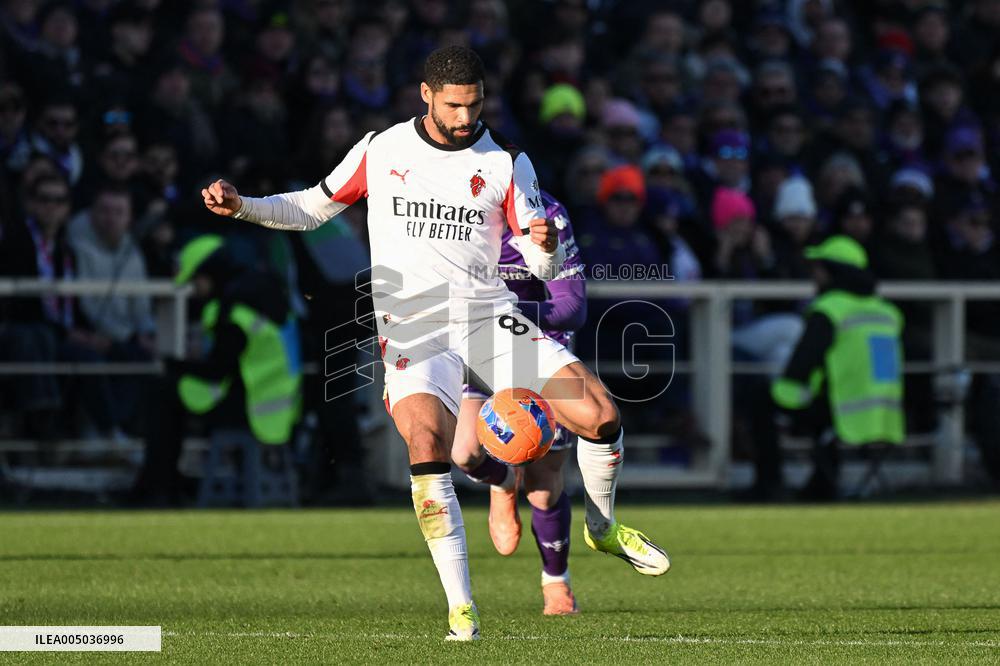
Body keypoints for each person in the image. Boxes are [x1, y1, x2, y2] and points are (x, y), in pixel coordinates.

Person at [200, 45, 669, 641]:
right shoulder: (382, 149)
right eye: (453, 106)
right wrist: (242, 207)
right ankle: (462, 609)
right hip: (413, 328)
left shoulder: (506, 162)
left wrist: (545, 246)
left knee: (601, 416)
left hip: (487, 318)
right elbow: (311, 209)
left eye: (475, 105)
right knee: (428, 447)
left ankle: (601, 529)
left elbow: (543, 268)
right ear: (426, 95)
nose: (466, 117)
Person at [451, 190, 585, 616]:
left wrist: (503, 311)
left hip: (538, 340)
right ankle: (503, 481)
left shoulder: (548, 213)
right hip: (477, 341)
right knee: (464, 452)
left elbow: (571, 306)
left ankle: (556, 581)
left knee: (544, 484)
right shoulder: (448, 204)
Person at [129, 235, 302, 505]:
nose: (195, 291)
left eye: (195, 282)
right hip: (282, 405)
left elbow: (217, 371)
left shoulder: (233, 309)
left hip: (252, 410)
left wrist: (174, 363)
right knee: (169, 389)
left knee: (163, 391)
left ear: (208, 274)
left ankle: (159, 486)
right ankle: (163, 483)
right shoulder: (264, 291)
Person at [770, 235, 905, 500]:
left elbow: (802, 364)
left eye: (819, 268)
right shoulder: (888, 313)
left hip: (838, 411)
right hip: (885, 414)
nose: (814, 275)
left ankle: (768, 483)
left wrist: (783, 396)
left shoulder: (829, 309)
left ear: (833, 271)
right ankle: (819, 483)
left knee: (762, 400)